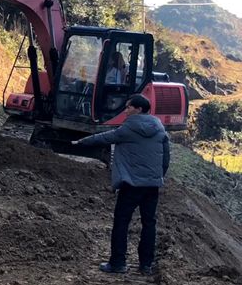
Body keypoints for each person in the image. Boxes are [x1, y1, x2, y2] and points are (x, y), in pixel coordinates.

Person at [71, 95, 169, 274]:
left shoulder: (129, 128)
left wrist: (81, 142)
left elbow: (106, 137)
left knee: (121, 222)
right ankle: (146, 265)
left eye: (128, 107)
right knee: (149, 223)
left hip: (131, 184)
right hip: (152, 185)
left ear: (138, 109)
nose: (126, 111)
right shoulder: (159, 127)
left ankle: (118, 263)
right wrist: (158, 177)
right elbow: (166, 158)